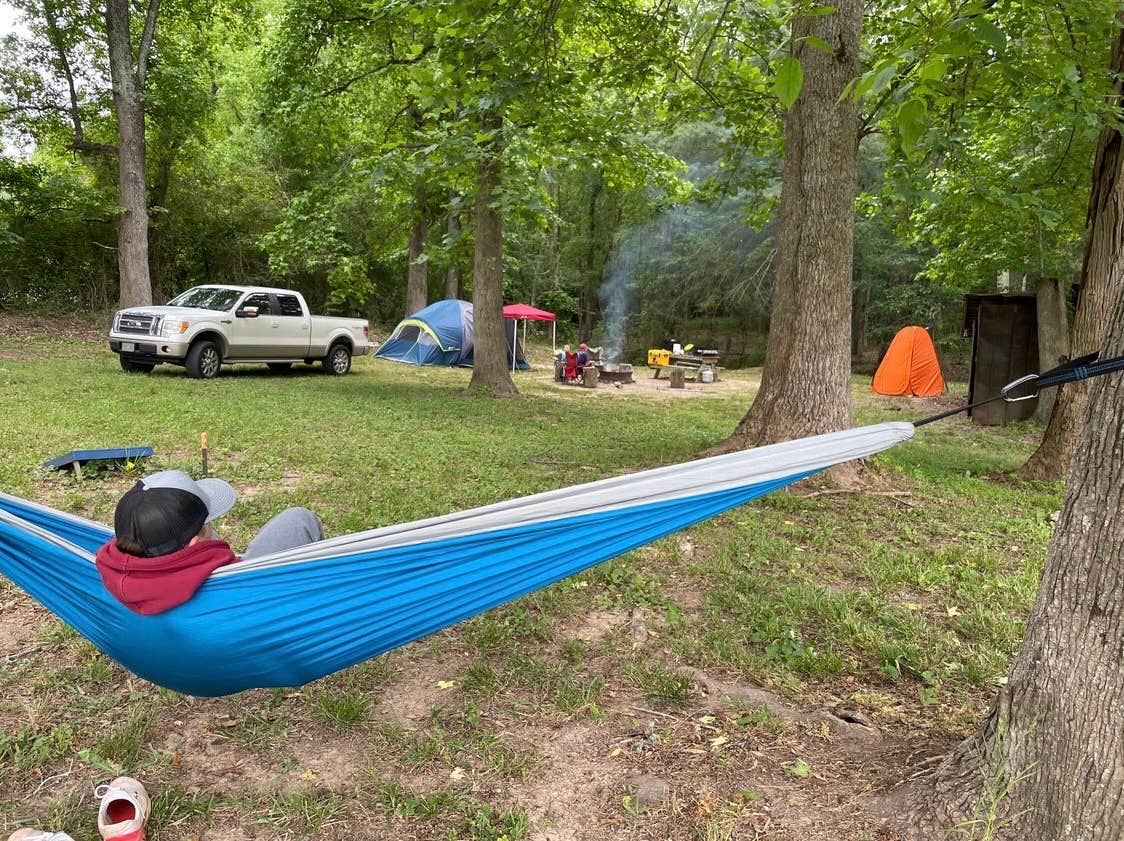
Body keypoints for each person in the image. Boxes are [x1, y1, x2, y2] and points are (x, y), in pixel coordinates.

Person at [94, 470, 323, 615]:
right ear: (194, 543)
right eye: (207, 523)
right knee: (299, 519)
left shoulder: (110, 574)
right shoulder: (229, 589)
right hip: (248, 607)